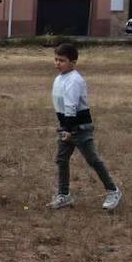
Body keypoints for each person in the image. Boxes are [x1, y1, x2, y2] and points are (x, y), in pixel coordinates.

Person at [49, 43, 121, 212]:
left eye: (62, 60)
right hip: (65, 126)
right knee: (61, 159)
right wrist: (64, 127)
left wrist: (67, 129)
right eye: (56, 59)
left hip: (78, 127)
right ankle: (64, 194)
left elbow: (71, 106)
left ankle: (113, 190)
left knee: (93, 159)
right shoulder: (59, 78)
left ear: (73, 62)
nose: (58, 63)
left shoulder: (74, 80)